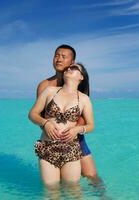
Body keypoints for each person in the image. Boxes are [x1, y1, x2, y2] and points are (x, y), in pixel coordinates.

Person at [28, 63, 94, 192]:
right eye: (68, 68)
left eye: (74, 68)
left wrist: (77, 129)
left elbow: (91, 125)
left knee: (73, 191)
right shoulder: (50, 91)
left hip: (71, 149)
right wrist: (45, 123)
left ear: (81, 77)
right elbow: (32, 114)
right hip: (47, 148)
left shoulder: (84, 99)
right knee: (51, 191)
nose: (69, 69)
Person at [36, 44, 98, 179]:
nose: (59, 59)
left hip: (75, 136)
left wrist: (72, 131)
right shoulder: (45, 86)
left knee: (91, 175)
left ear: (72, 62)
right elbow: (39, 115)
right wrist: (50, 128)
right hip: (52, 137)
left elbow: (83, 114)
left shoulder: (78, 85)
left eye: (64, 57)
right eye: (56, 55)